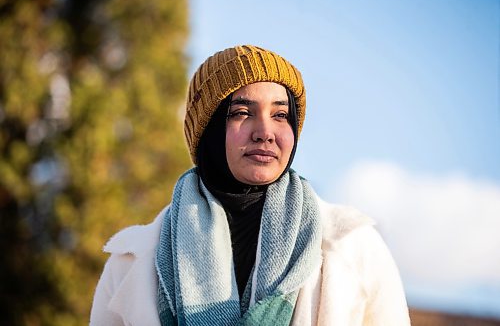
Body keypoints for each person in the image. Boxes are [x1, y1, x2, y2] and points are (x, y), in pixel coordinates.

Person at [90, 44, 411, 326]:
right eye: (242, 112)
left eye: (281, 115)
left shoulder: (353, 246)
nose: (265, 132)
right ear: (209, 129)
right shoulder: (131, 262)